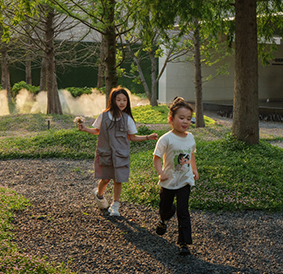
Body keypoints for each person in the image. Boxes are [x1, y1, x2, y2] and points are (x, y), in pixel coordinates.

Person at [76, 87, 158, 217]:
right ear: (113, 100)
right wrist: (85, 129)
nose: (121, 102)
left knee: (118, 180)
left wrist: (148, 137)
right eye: (119, 99)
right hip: (106, 153)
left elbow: (133, 137)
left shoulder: (127, 119)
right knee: (106, 179)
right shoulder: (103, 116)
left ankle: (115, 205)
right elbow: (97, 130)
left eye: (124, 100)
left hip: (121, 154)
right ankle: (99, 194)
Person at [153, 97, 199, 256]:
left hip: (185, 180)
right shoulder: (166, 138)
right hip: (169, 180)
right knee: (165, 207)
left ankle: (183, 243)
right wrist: (161, 173)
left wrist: (194, 169)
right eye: (181, 118)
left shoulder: (191, 137)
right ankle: (164, 219)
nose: (185, 122)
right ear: (171, 119)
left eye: (188, 118)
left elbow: (191, 154)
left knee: (183, 211)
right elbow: (156, 158)